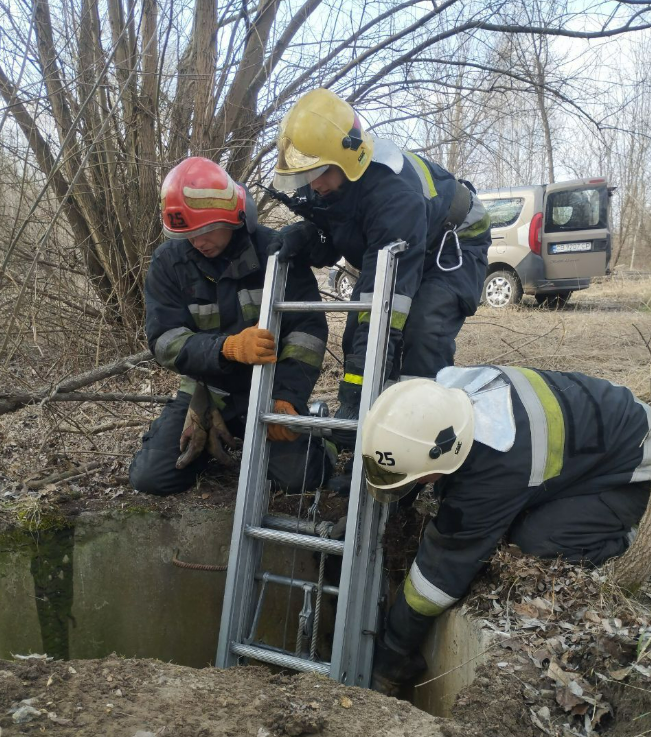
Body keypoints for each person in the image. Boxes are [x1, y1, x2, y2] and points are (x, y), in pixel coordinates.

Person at [361, 365, 651, 694]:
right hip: (590, 436)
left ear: (444, 455)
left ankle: (612, 536)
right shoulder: (442, 401)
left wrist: (395, 649)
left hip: (621, 468)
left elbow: (443, 569)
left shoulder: (495, 465)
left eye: (416, 479)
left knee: (533, 543)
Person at [270, 87, 491, 447]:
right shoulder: (325, 182)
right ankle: (363, 428)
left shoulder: (393, 195)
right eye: (306, 175)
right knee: (359, 327)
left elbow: (388, 304)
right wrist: (304, 237)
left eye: (319, 173)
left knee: (421, 333)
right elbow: (336, 236)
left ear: (348, 159)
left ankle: (417, 445)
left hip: (451, 245)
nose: (313, 184)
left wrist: (362, 375)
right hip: (399, 245)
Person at [129, 157, 332, 496]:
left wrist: (287, 396)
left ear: (233, 217)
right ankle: (210, 440)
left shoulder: (276, 254)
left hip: (268, 389)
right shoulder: (169, 263)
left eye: (205, 230)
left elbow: (307, 332)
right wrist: (223, 355)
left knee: (301, 478)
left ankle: (318, 436)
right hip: (205, 390)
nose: (197, 242)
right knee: (151, 478)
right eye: (187, 235)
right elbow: (164, 341)